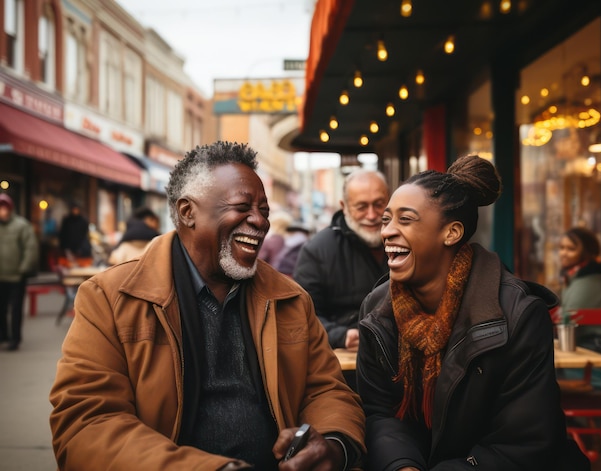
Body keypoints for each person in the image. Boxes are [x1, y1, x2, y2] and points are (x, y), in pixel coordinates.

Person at [49, 141, 365, 470]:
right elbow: (87, 425)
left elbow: (327, 391)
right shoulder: (109, 299)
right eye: (242, 206)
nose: (259, 221)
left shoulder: (291, 299)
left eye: (264, 210)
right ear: (188, 212)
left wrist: (333, 442)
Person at [356, 155, 589, 470]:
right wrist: (401, 464)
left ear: (451, 233)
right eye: (387, 220)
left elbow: (525, 441)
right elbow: (378, 411)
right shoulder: (377, 309)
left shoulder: (518, 314)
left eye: (406, 219)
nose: (387, 232)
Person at [293, 168, 389, 350]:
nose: (372, 215)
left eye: (379, 204)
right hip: (345, 362)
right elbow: (301, 315)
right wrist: (340, 335)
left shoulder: (407, 242)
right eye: (361, 207)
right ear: (344, 206)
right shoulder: (317, 250)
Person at [0, 193, 38, 351]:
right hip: (1, 275)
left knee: (16, 310)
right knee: (1, 308)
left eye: (4, 207)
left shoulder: (21, 225)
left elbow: (30, 248)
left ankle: (15, 339)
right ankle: (3, 335)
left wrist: (23, 268)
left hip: (16, 275)